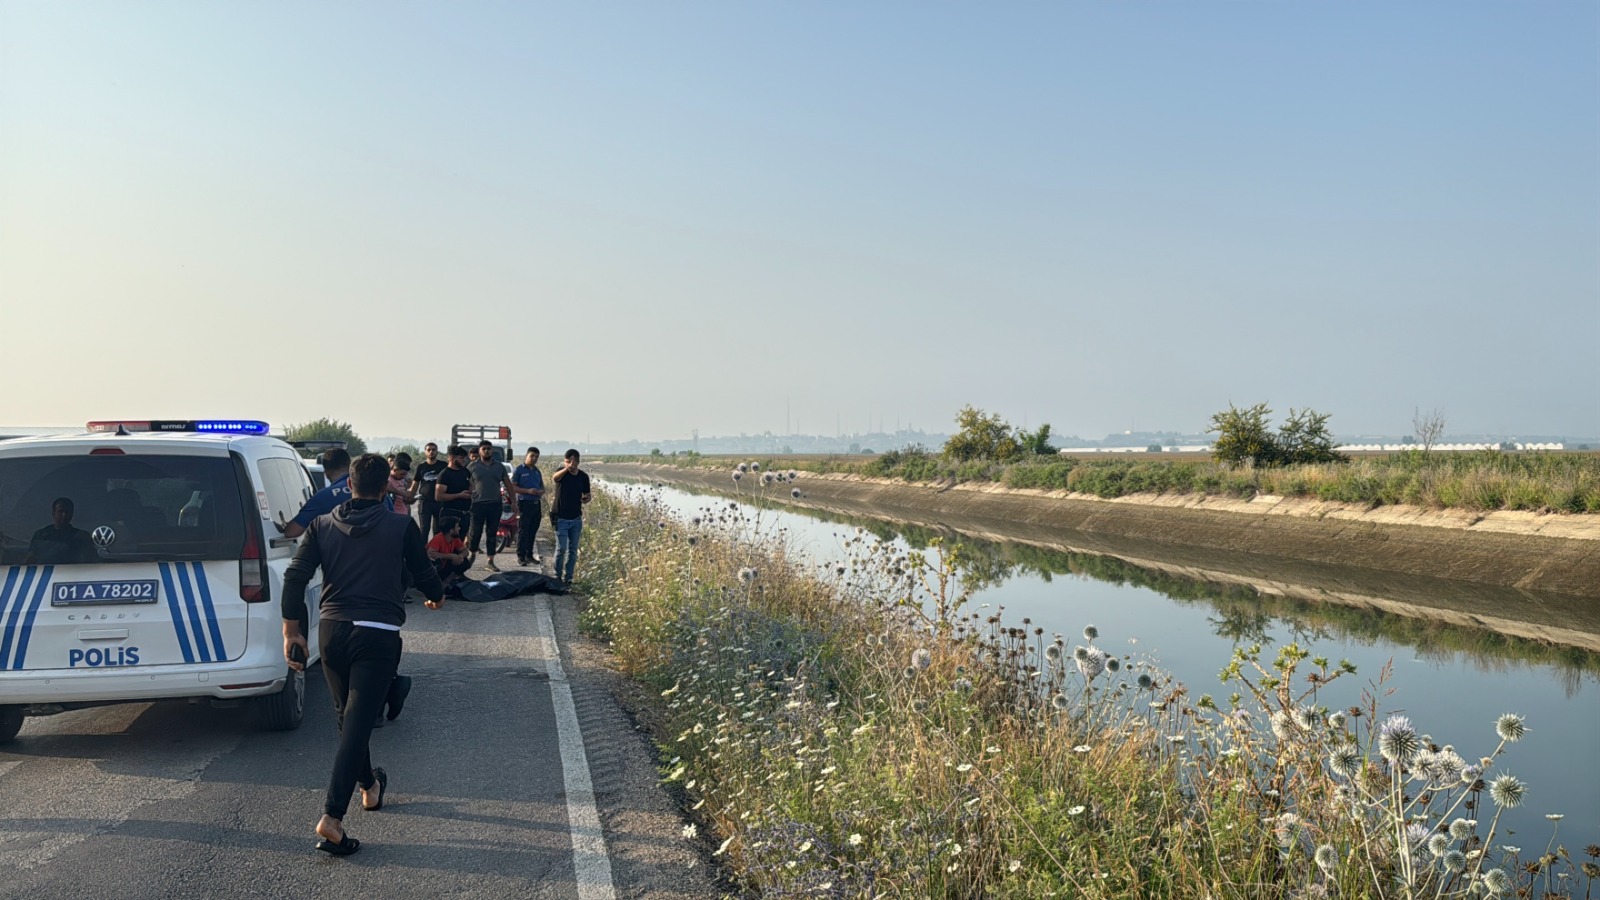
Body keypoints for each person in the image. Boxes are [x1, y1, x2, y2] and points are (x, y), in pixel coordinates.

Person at [281, 453, 444, 857]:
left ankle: (370, 785)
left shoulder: (321, 525)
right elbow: (423, 572)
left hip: (332, 632)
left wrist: (292, 630)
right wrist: (436, 597)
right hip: (378, 633)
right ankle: (332, 817)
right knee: (356, 724)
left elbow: (295, 576)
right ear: (386, 486)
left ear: (348, 484)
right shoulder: (400, 525)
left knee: (347, 719)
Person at [278, 448, 352, 540]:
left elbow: (292, 532)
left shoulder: (325, 497)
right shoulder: (369, 490)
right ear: (350, 467)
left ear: (326, 473)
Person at [465, 440, 515, 572]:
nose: (486, 451)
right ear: (479, 451)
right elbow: (467, 485)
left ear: (492, 450)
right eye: (484, 449)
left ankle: (490, 561)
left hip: (495, 504)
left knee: (492, 533)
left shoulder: (499, 466)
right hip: (477, 505)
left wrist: (514, 502)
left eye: (489, 448)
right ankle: (472, 555)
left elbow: (508, 484)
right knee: (475, 533)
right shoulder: (472, 467)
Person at [550, 448, 591, 587]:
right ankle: (557, 576)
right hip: (560, 517)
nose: (571, 464)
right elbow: (555, 478)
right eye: (568, 461)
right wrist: (566, 468)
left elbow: (587, 495)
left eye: (574, 461)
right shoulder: (561, 473)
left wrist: (586, 499)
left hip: (576, 518)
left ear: (578, 462)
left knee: (573, 550)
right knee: (561, 548)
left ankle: (569, 578)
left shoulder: (583, 477)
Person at [27, 497, 97, 565]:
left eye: (67, 512)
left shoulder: (81, 536)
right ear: (53, 513)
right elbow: (29, 560)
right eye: (60, 511)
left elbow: (92, 561)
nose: (64, 515)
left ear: (72, 514)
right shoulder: (41, 535)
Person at [433, 445, 473, 547]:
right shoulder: (444, 474)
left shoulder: (465, 471)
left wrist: (472, 491)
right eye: (461, 458)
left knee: (460, 543)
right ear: (451, 458)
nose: (464, 460)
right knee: (449, 544)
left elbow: (471, 486)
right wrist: (459, 495)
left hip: (465, 514)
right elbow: (438, 496)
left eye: (464, 458)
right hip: (450, 513)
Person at [511, 447, 545, 567]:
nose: (534, 458)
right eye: (532, 456)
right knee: (523, 531)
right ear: (527, 456)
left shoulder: (537, 471)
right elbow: (513, 488)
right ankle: (521, 556)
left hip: (536, 504)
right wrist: (528, 491)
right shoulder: (519, 470)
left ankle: (529, 555)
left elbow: (542, 487)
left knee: (533, 530)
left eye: (536, 457)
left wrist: (541, 491)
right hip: (524, 503)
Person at [426, 514, 470, 594]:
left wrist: (460, 556)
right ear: (451, 530)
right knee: (435, 562)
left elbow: (465, 551)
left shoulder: (455, 539)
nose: (459, 528)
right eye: (457, 527)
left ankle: (447, 582)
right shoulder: (438, 538)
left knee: (464, 562)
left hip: (445, 565)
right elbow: (430, 553)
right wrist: (450, 556)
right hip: (435, 569)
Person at [412, 443, 448, 537]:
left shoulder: (443, 465)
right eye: (429, 450)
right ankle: (422, 551)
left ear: (437, 451)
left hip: (439, 502)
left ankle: (436, 550)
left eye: (433, 449)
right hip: (425, 502)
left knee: (439, 530)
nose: (431, 452)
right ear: (425, 452)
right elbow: (415, 483)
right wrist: (410, 495)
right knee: (424, 529)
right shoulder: (421, 467)